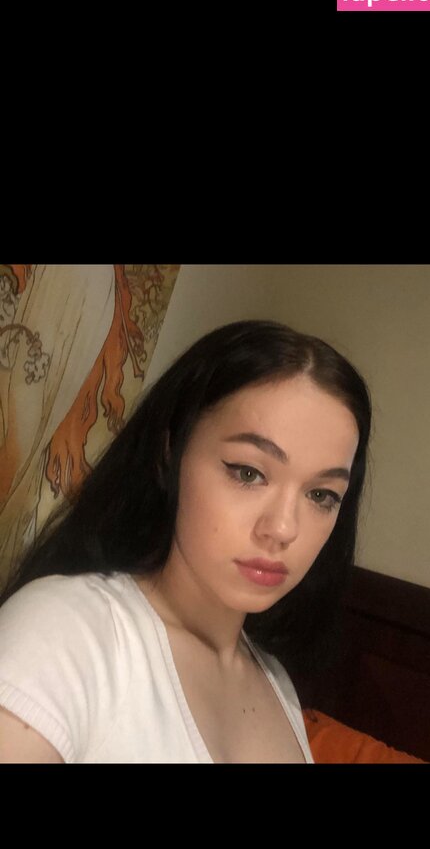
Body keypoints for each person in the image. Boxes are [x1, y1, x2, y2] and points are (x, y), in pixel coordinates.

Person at [0, 319, 375, 764]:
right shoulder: (67, 632)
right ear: (170, 453)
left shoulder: (275, 683)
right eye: (249, 473)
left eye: (321, 495)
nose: (282, 529)